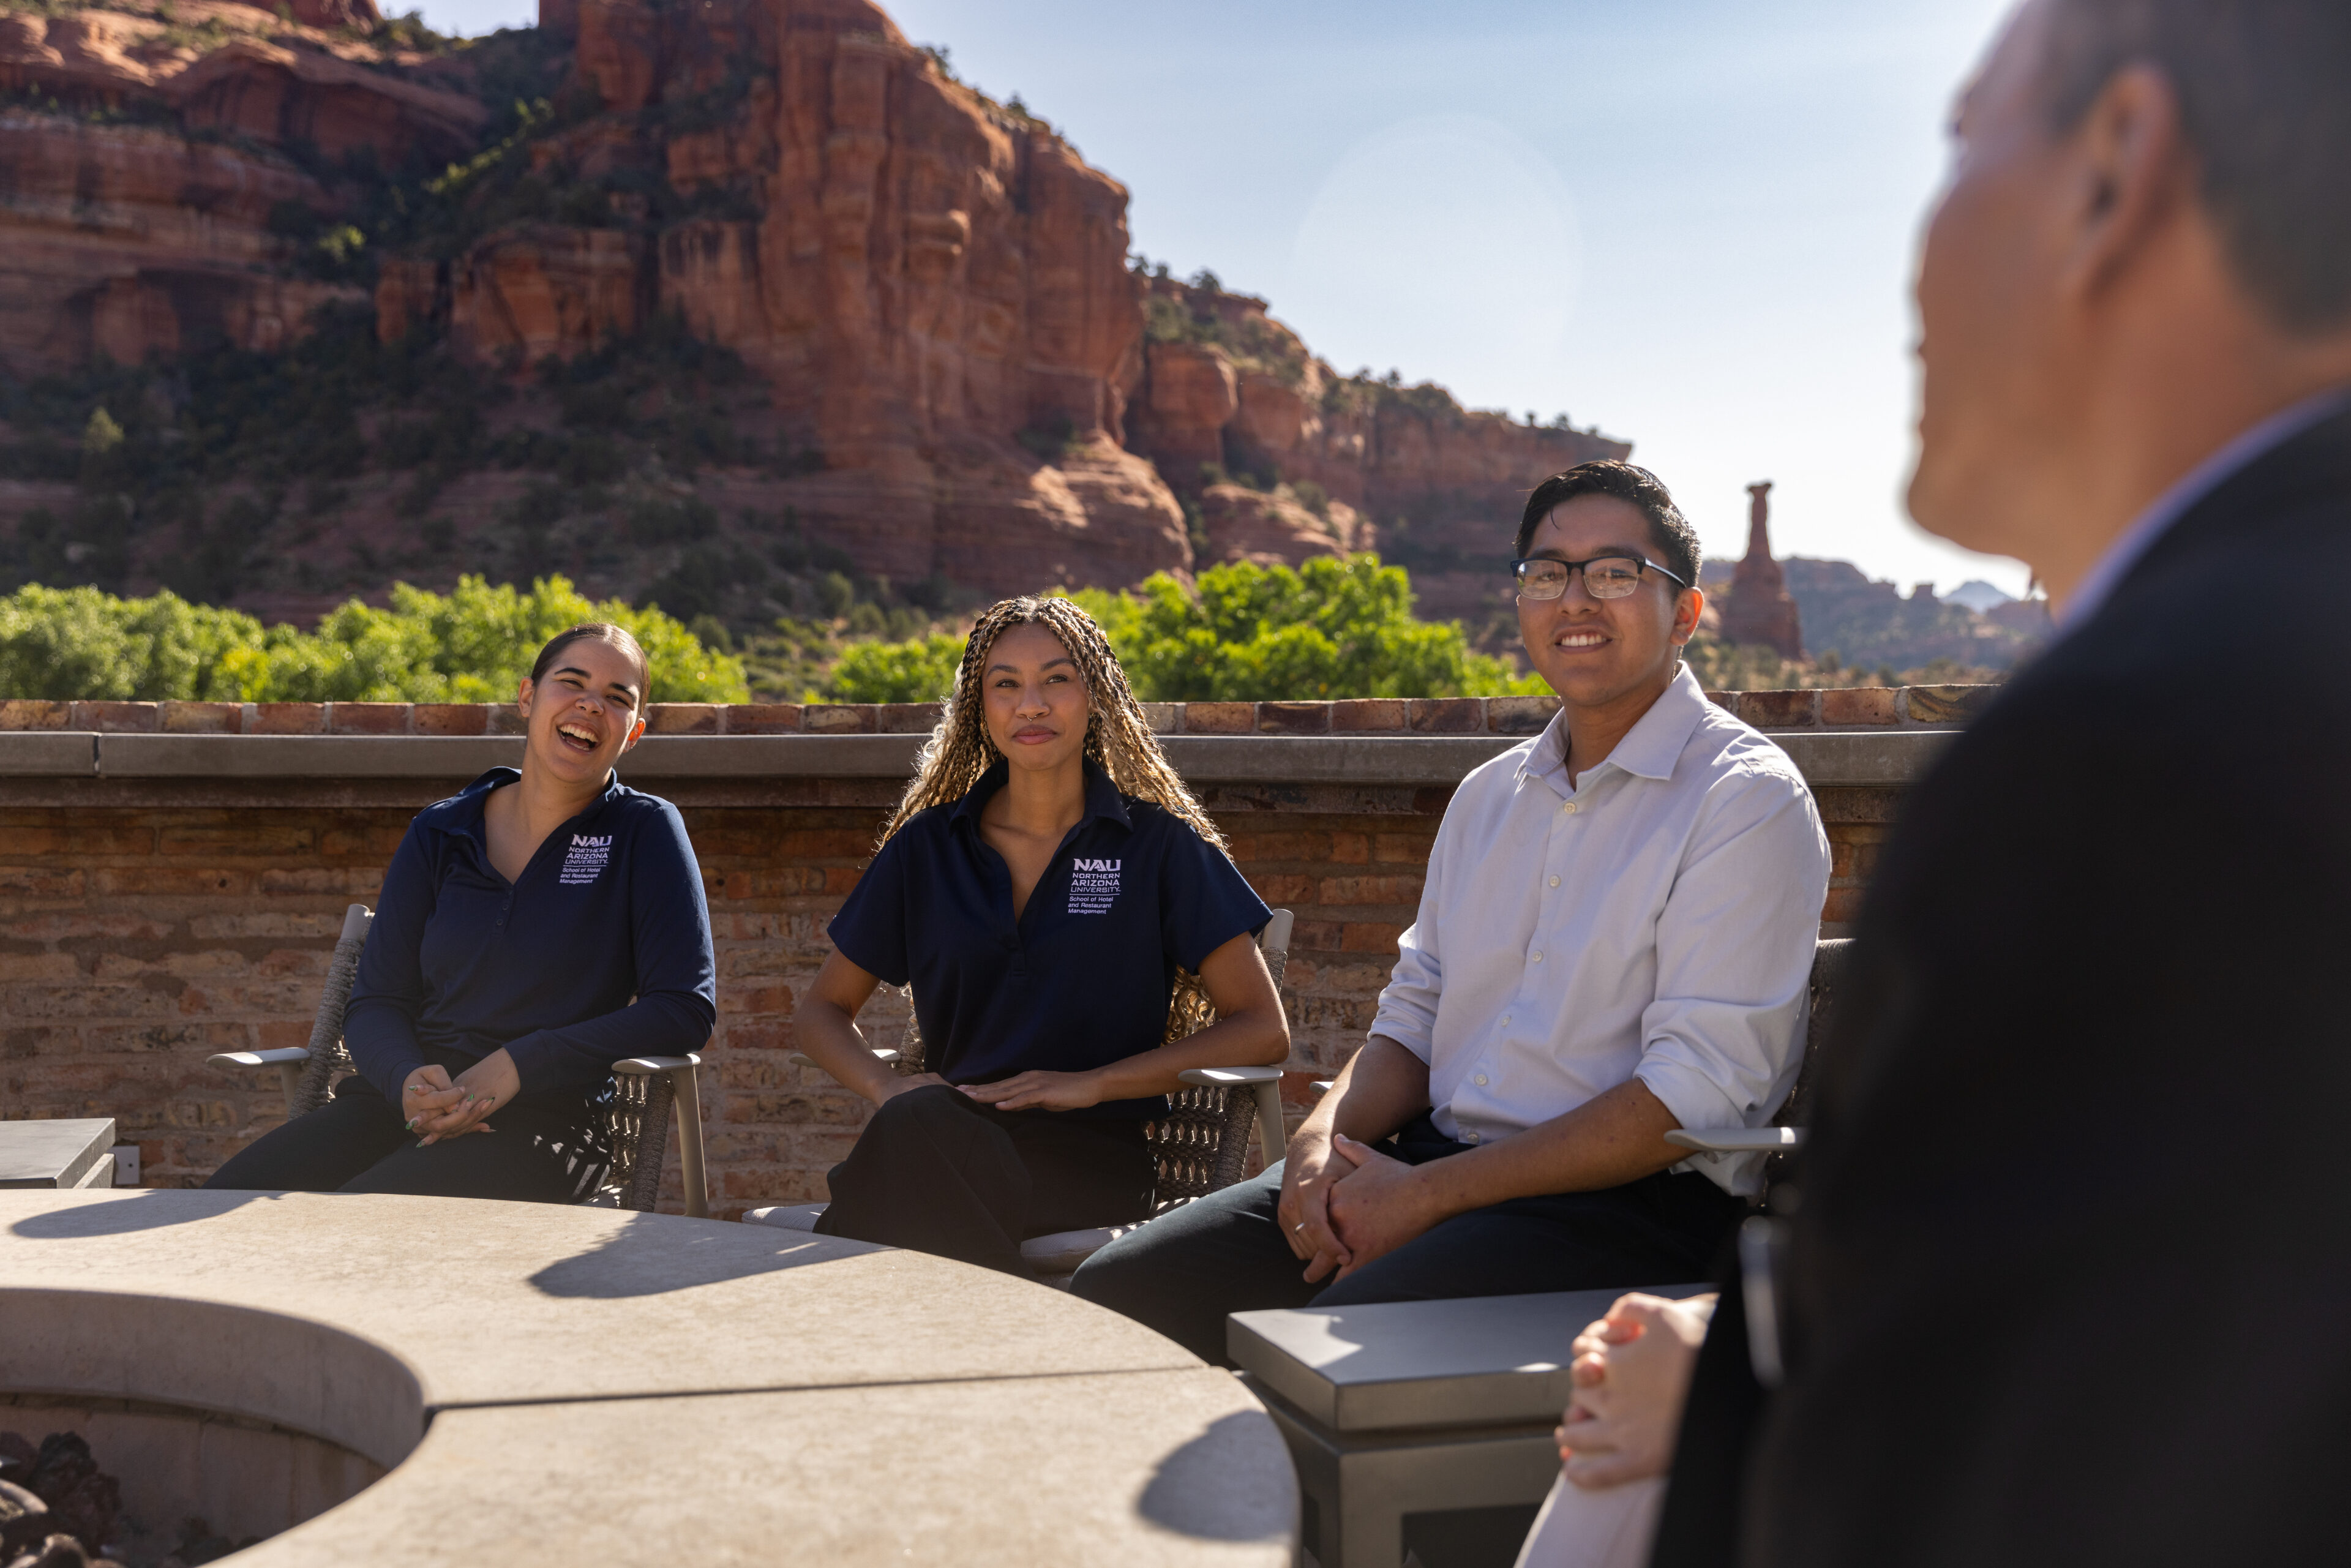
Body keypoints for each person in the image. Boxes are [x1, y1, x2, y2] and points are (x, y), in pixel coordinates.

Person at [1651, 2, 2351, 1564]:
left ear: (2114, 171)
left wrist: (1736, 1394)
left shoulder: (2130, 763)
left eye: (1965, 134)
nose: (1917, 240)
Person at [1070, 461, 1832, 1364]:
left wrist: (1430, 1197)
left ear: (1686, 613)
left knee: (1308, 1355)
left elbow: (1686, 1098)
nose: (1575, 599)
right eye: (1547, 573)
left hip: (1626, 1207)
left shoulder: (1745, 800)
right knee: (1112, 1300)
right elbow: (1417, 1015)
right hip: (1424, 1158)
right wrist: (1319, 1145)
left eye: (1615, 573)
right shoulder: (1488, 797)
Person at [794, 596, 1288, 1278]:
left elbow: (1263, 1028)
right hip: (942, 1132)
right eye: (1006, 684)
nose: (1031, 704)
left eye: (1056, 678)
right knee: (914, 1129)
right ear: (979, 706)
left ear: (1096, 697)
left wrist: (1094, 1084)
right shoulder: (927, 849)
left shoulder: (1158, 848)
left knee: (896, 1172)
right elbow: (821, 1010)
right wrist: (887, 1088)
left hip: (1088, 1159)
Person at [206, 623, 716, 1202]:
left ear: (635, 733)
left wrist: (519, 1064)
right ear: (528, 697)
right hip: (405, 1106)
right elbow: (377, 999)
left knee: (368, 1216)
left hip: (547, 1124)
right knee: (227, 1199)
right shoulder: (442, 829)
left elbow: (683, 1007)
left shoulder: (644, 831)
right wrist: (404, 1080)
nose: (591, 703)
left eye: (618, 698)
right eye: (570, 682)